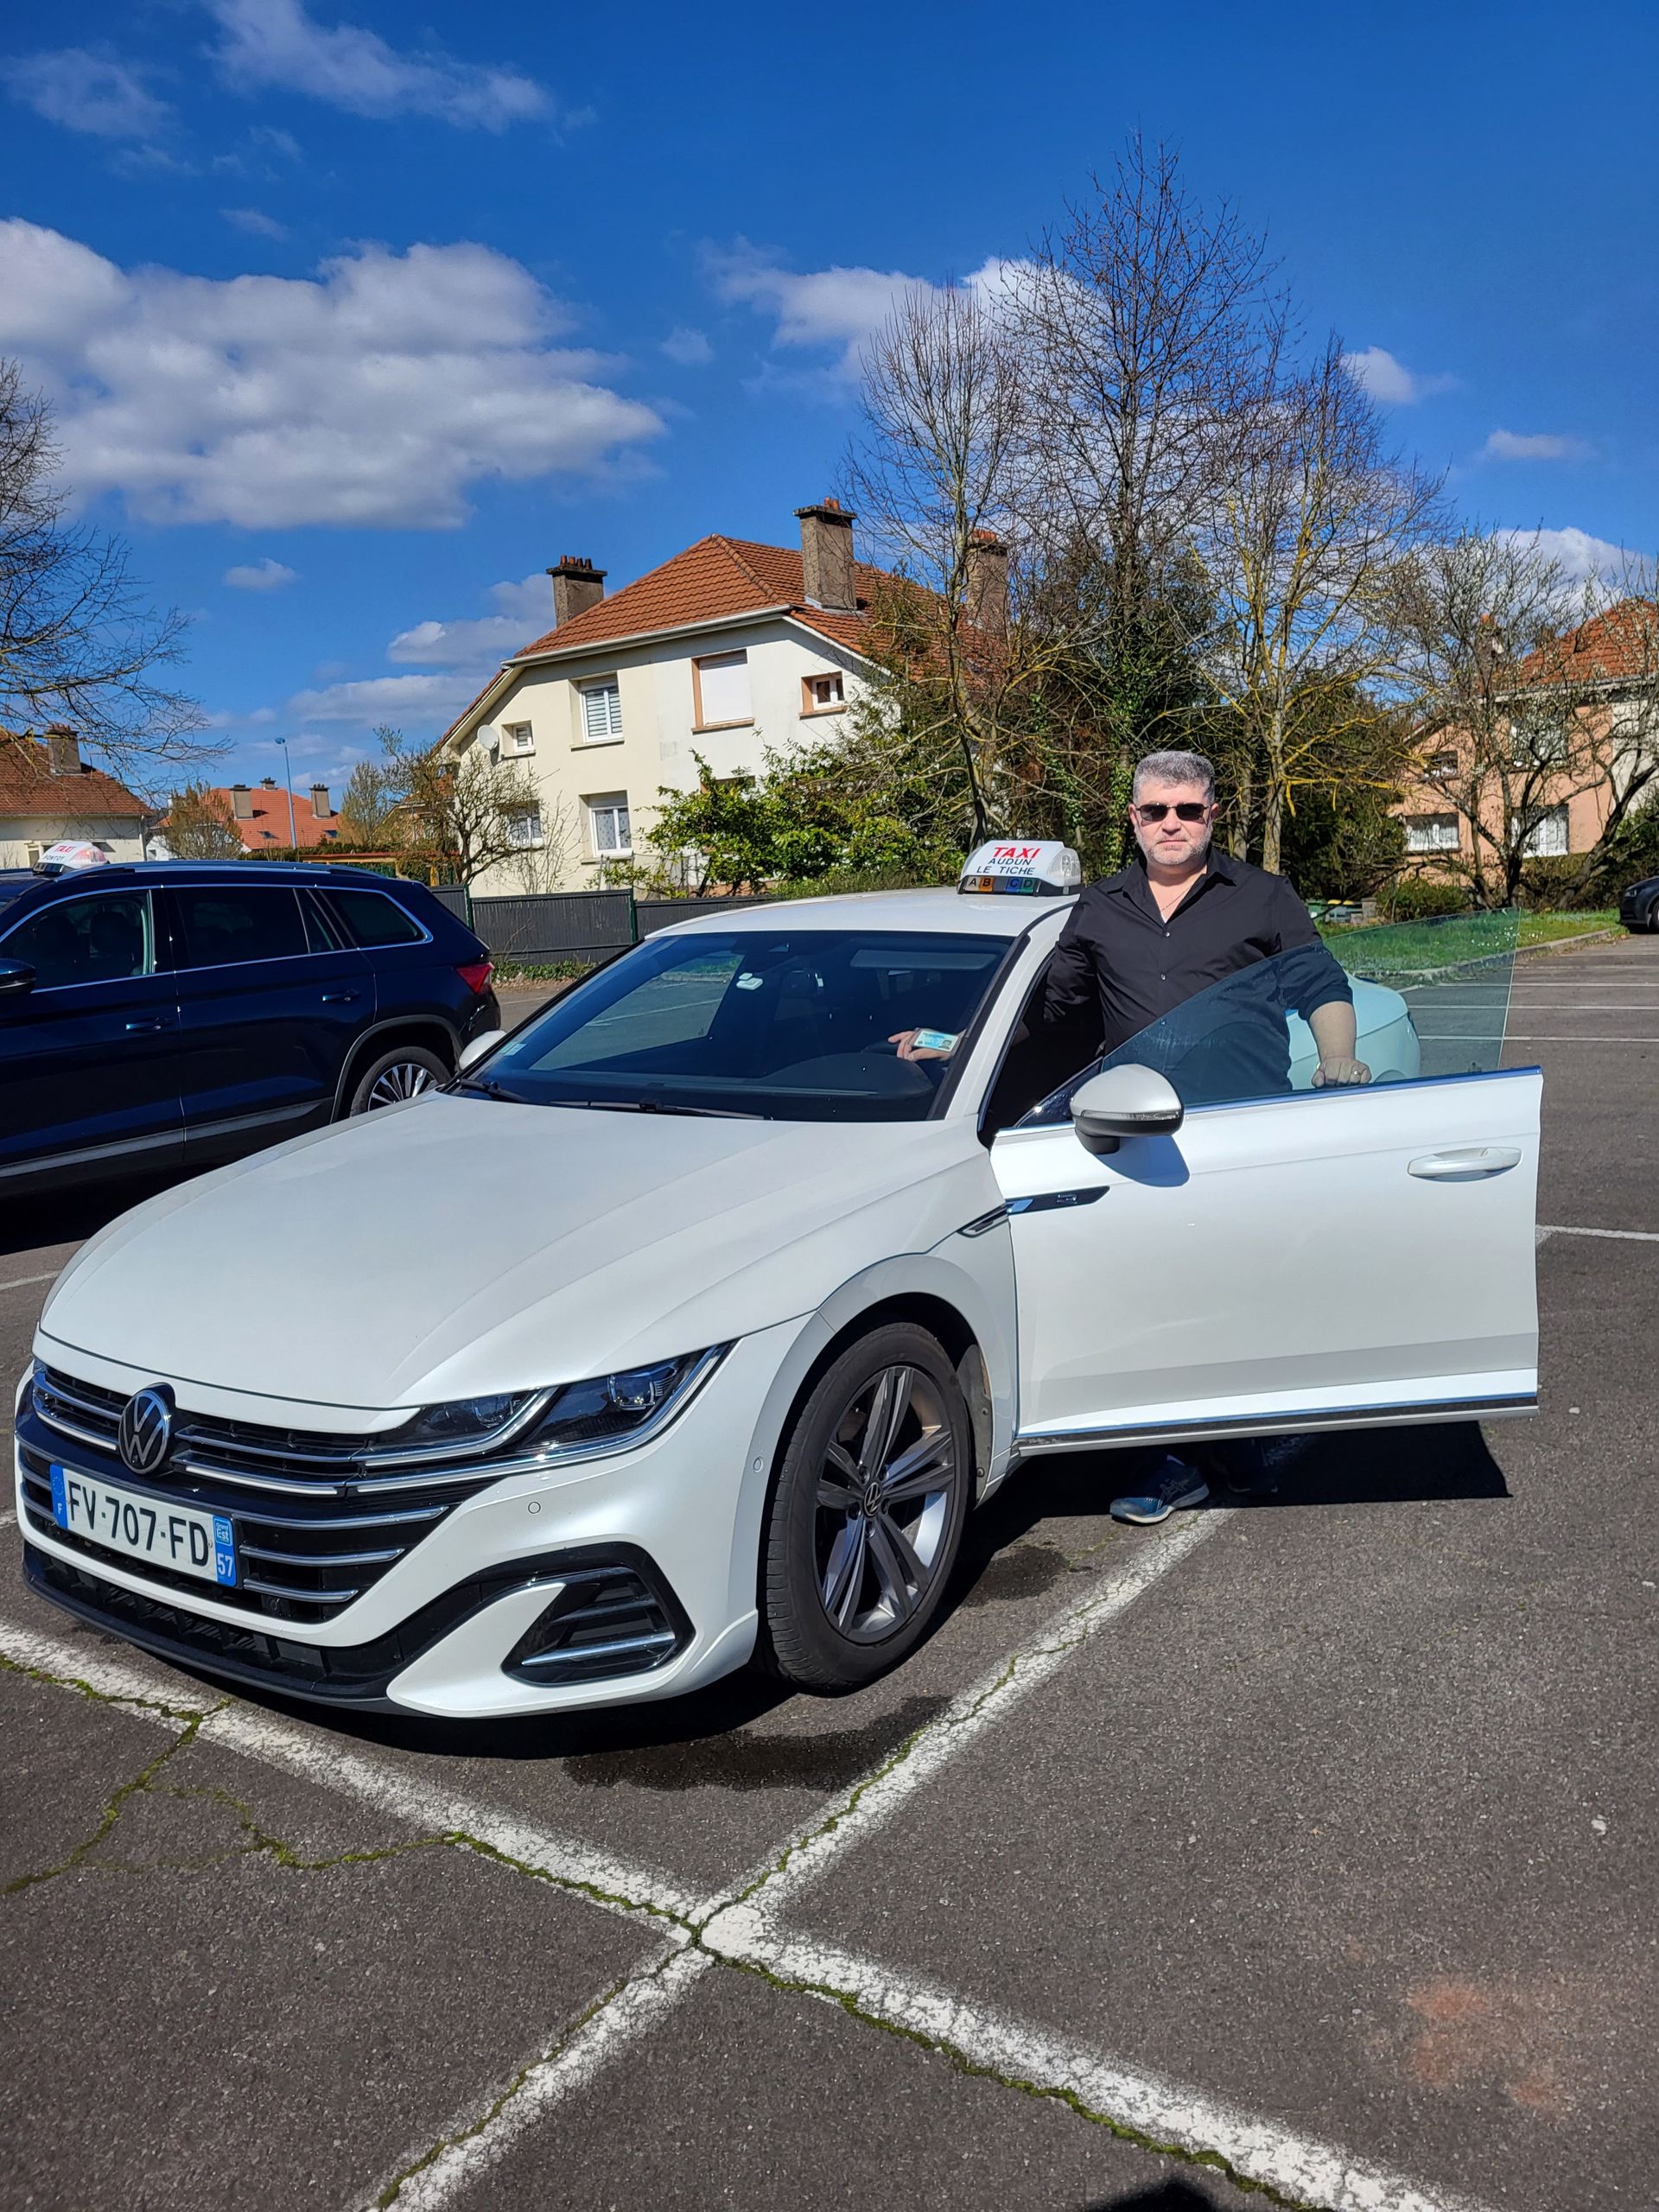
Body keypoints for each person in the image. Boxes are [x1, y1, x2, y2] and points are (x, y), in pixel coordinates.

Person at [893, 747, 1370, 1524]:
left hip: (1236, 1130)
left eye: (1188, 809)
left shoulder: (1263, 896)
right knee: (1161, 1300)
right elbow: (1049, 1017)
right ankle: (1177, 1457)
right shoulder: (1101, 907)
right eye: (1156, 811)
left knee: (1234, 1293)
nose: (1172, 824)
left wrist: (1339, 1059)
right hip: (1131, 1131)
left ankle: (1233, 1438)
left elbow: (1321, 984)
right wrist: (954, 1046)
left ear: (1214, 813)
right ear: (1134, 819)